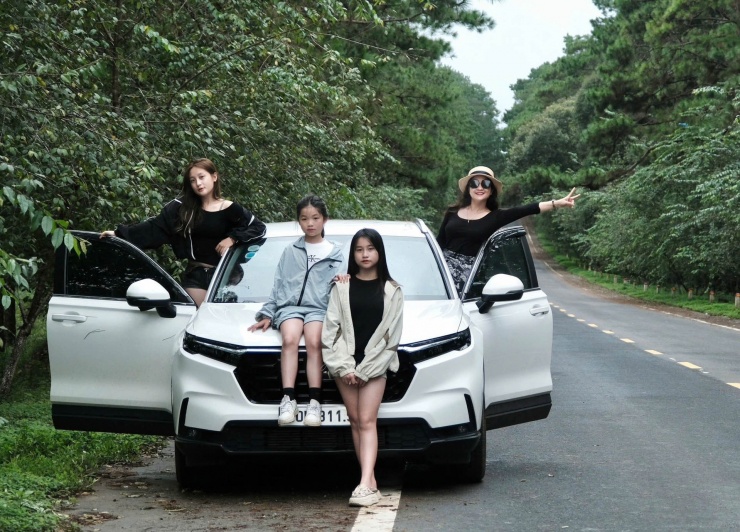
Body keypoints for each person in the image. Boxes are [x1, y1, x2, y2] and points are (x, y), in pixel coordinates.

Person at [101, 158, 266, 307]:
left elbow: (258, 227)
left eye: (202, 177)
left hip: (226, 276)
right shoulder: (182, 209)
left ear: (214, 177)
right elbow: (155, 227)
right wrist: (119, 234)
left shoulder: (230, 208)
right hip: (196, 275)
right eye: (193, 180)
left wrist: (232, 239)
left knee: (223, 321)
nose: (198, 183)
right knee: (198, 319)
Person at [321, 228, 404, 507]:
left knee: (367, 420)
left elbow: (392, 338)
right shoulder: (341, 287)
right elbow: (330, 331)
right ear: (353, 254)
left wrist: (365, 370)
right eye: (359, 249)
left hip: (375, 366)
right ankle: (369, 483)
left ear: (379, 252)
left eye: (370, 248)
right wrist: (345, 367)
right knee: (355, 420)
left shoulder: (393, 290)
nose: (365, 254)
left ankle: (365, 482)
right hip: (345, 364)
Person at [248, 195, 343, 427]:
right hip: (290, 307)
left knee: (314, 341)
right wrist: (268, 313)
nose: (310, 223)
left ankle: (314, 402)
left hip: (319, 309)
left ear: (325, 220)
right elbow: (279, 283)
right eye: (304, 218)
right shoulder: (290, 251)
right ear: (298, 221)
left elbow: (343, 287)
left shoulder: (336, 253)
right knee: (289, 339)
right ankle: (288, 399)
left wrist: (344, 282)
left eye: (315, 218)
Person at [437, 165, 579, 293]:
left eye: (486, 184)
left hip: (468, 278)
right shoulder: (452, 212)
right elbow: (439, 243)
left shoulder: (495, 217)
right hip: (440, 271)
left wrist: (557, 203)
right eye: (474, 183)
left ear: (491, 191)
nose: (480, 188)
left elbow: (527, 209)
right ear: (468, 189)